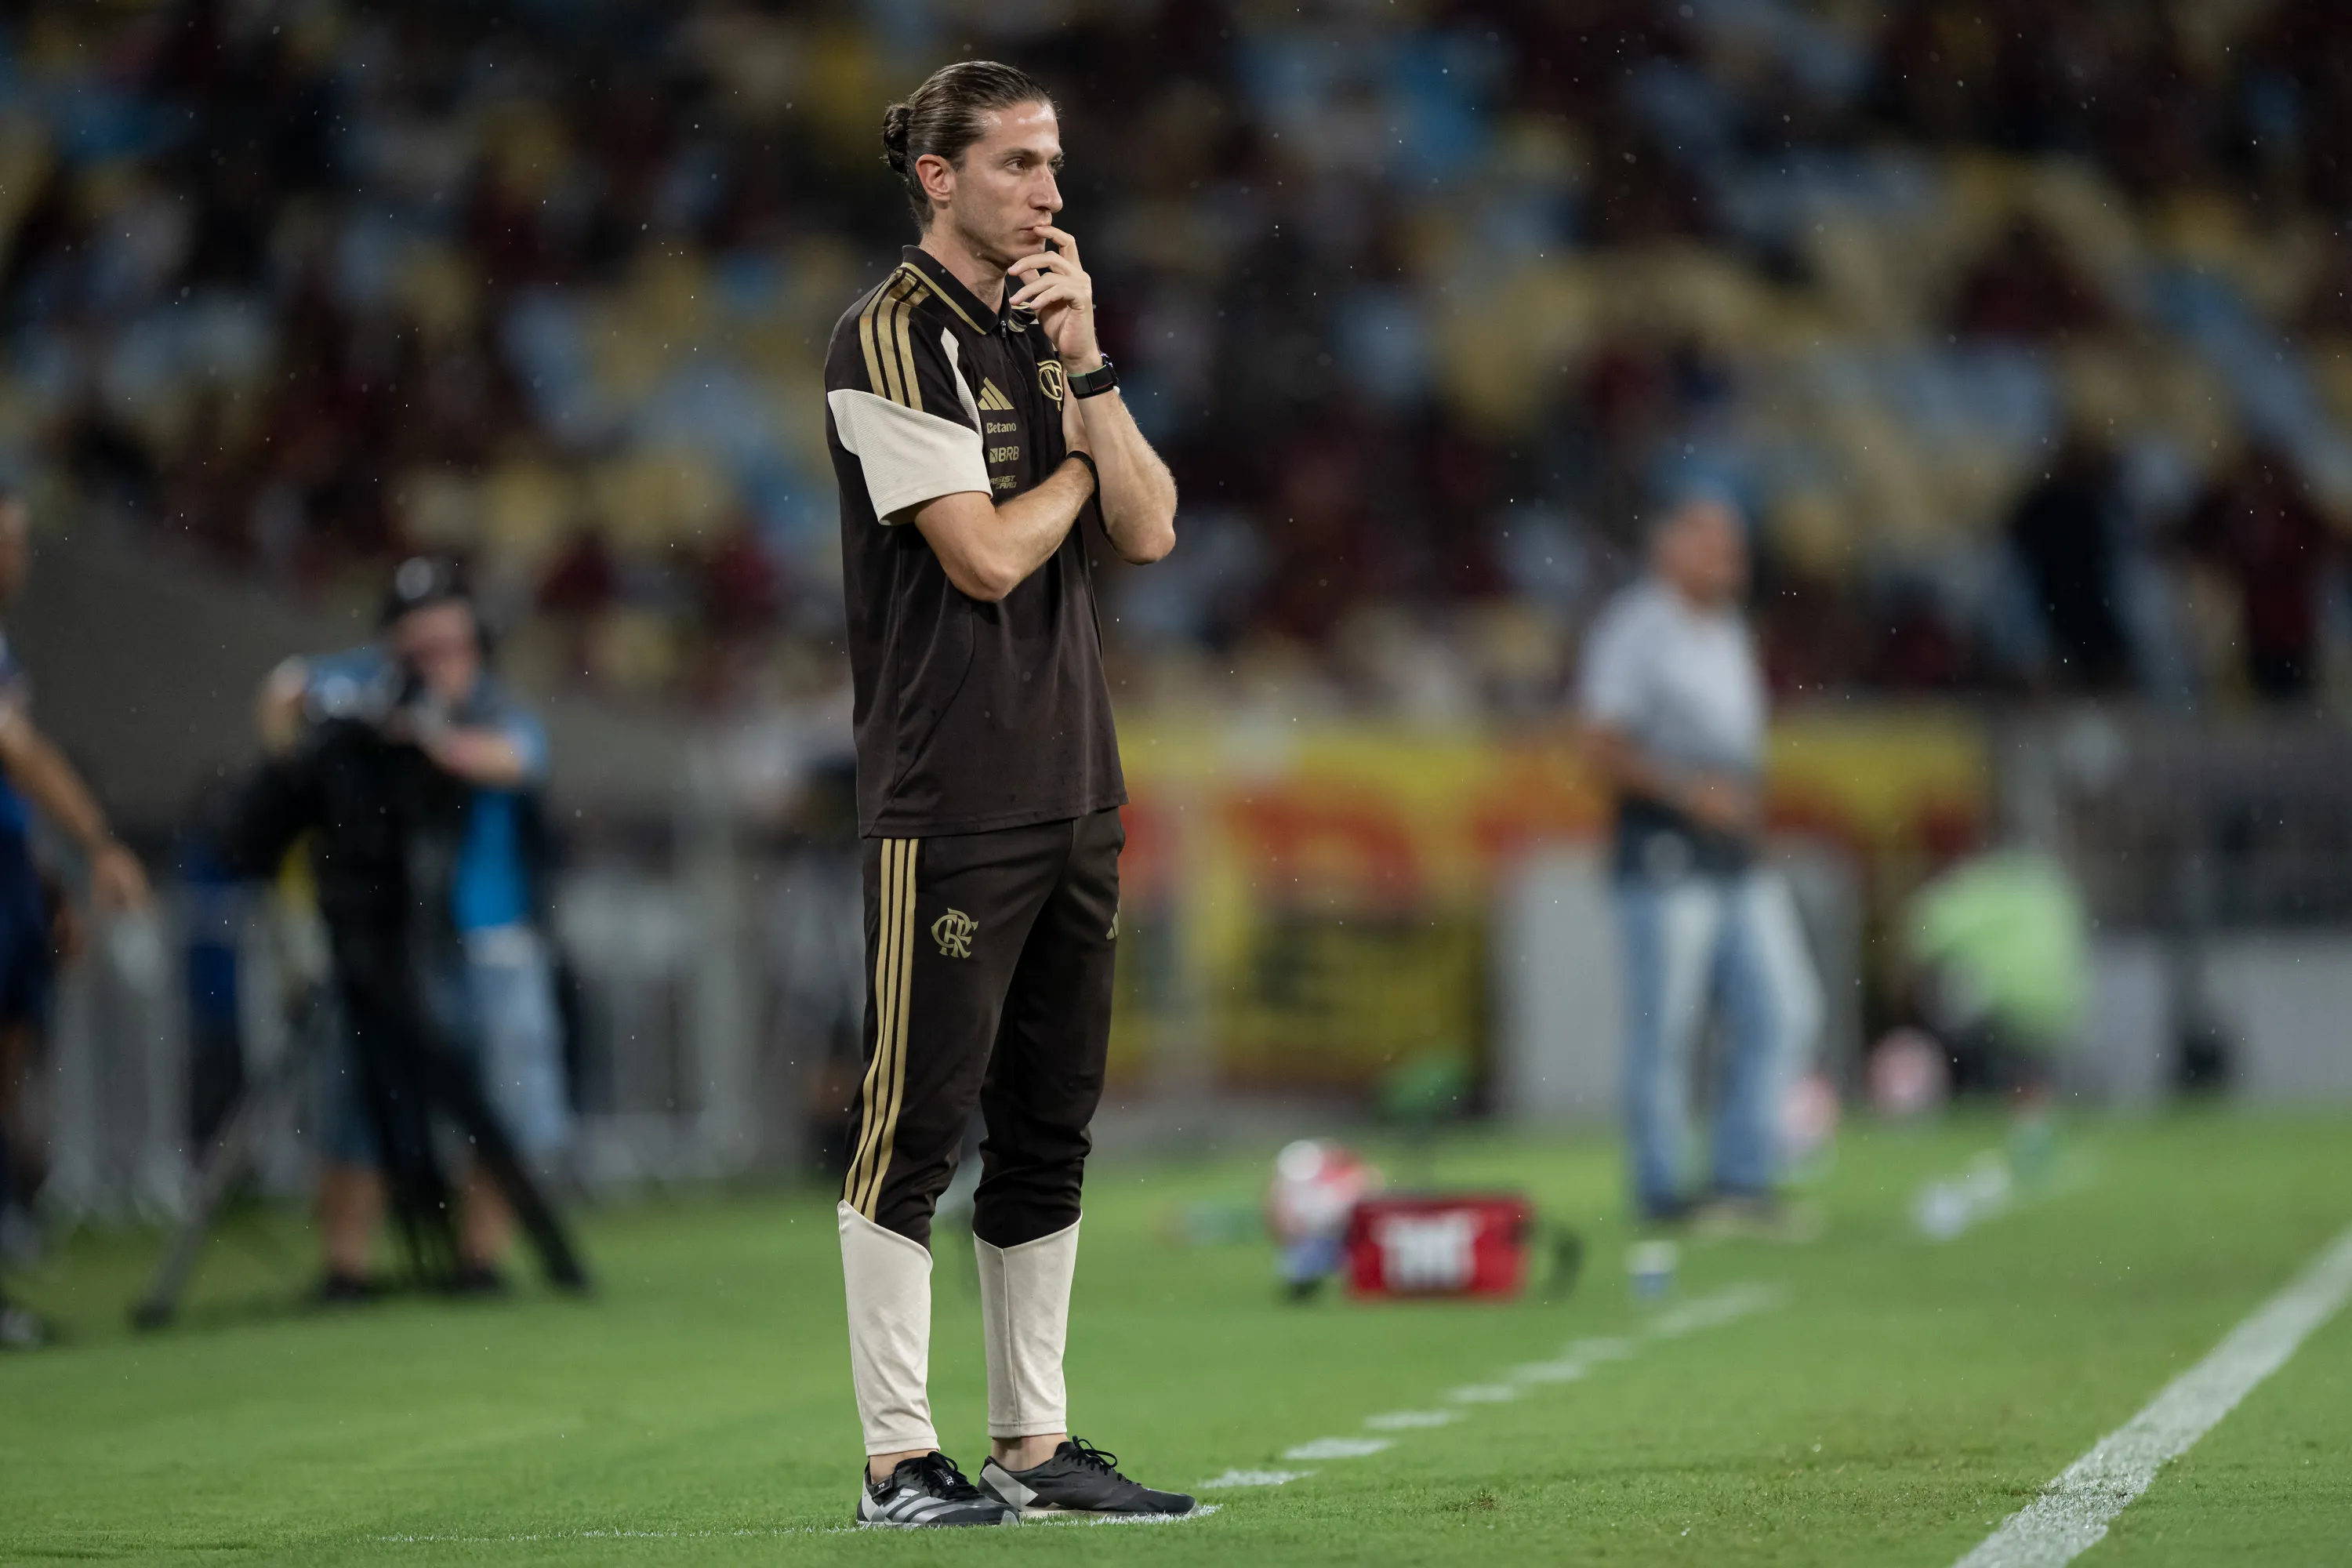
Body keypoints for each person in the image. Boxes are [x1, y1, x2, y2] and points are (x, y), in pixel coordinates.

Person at [821, 60, 1184, 1526]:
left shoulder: (1048, 333)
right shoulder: (887, 336)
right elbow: (978, 557)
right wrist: (1082, 484)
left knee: (1051, 1126)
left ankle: (1033, 1448)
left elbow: (1150, 528)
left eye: (1052, 164)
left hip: (1074, 785)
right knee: (912, 1129)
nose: (1049, 190)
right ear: (938, 176)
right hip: (947, 793)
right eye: (1019, 164)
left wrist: (1092, 370)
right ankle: (897, 1458)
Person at [257, 558, 570, 1297]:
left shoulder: (497, 708)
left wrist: (436, 742)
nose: (436, 663)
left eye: (450, 645)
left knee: (503, 1097)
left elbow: (520, 761)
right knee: (355, 1094)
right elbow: (282, 695)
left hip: (488, 933)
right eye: (419, 648)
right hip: (389, 933)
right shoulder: (366, 691)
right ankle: (347, 1267)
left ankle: (479, 1261)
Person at [1578, 495, 1821, 1234]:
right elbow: (1598, 744)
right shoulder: (1636, 628)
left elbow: (1737, 759)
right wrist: (1688, 792)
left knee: (1785, 1008)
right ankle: (1659, 1188)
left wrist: (1748, 820)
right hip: (1664, 853)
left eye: (1734, 547)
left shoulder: (1726, 631)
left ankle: (1741, 1176)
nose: (1730, 561)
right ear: (1668, 550)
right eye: (1712, 546)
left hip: (1733, 857)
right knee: (1667, 1029)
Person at [0, 488, 153, 1348]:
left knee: (10, 1075)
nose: (19, 558)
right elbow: (13, 749)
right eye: (9, 540)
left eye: (21, 540)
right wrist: (99, 838)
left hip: (11, 875)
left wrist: (49, 885)